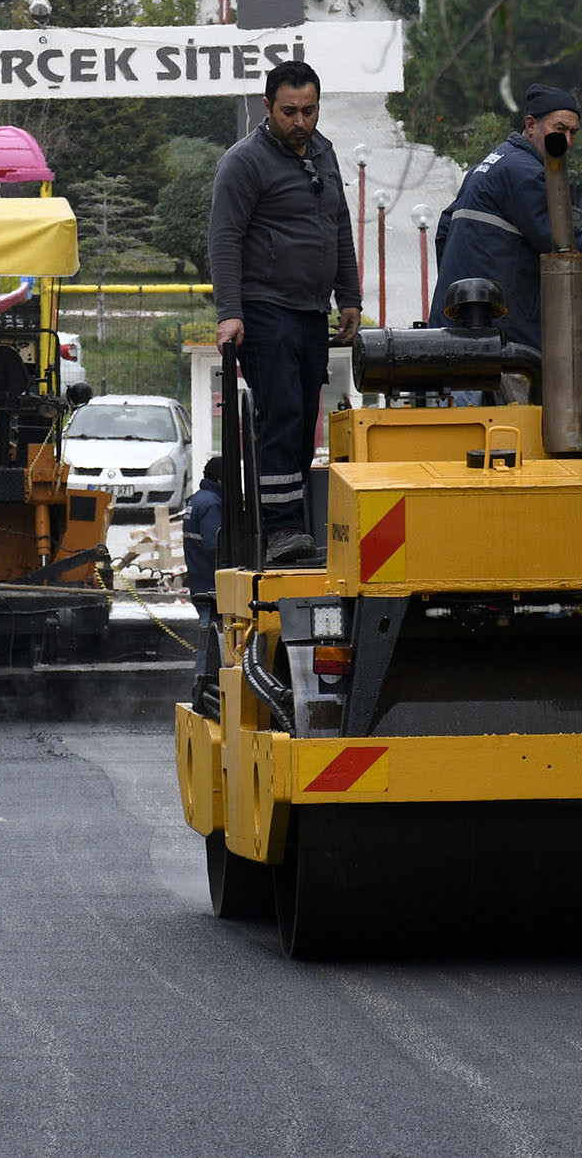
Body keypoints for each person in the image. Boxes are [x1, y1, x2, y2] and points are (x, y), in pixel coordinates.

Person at [207, 59, 362, 566]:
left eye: (309, 111)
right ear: (267, 107)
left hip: (311, 312)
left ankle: (292, 522)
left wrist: (350, 296)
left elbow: (339, 225)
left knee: (303, 422)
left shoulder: (324, 154)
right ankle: (281, 529)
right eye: (289, 112)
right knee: (281, 415)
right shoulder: (243, 163)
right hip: (265, 309)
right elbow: (224, 239)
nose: (300, 122)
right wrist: (230, 313)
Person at [428, 83, 582, 352]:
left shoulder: (488, 165)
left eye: (573, 133)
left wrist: (457, 288)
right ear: (531, 125)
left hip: (455, 325)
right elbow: (564, 244)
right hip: (499, 335)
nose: (568, 141)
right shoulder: (527, 173)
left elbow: (444, 231)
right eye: (560, 130)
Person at [182, 456, 225, 700]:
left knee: (208, 636)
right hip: (212, 585)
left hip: (199, 581)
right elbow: (216, 546)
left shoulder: (197, 500)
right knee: (210, 640)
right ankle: (202, 690)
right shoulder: (212, 504)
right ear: (220, 479)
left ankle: (202, 687)